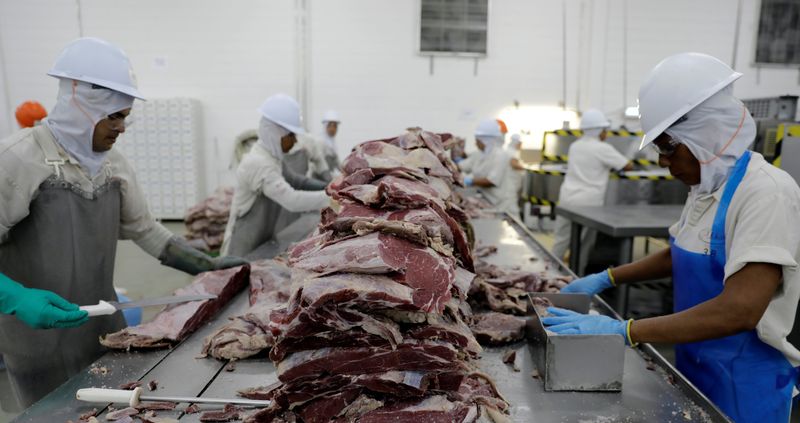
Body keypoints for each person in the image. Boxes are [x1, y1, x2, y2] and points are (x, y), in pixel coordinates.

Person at [545, 53, 800, 422]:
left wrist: (627, 330)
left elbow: (741, 309)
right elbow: (679, 253)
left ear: (706, 136)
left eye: (668, 147)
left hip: (743, 386)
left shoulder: (766, 192)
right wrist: (607, 278)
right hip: (693, 364)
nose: (664, 162)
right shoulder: (705, 186)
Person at [0, 37, 245, 406]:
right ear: (81, 107)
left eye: (125, 116)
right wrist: (17, 298)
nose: (122, 128)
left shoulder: (114, 166)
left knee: (118, 412)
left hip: (103, 327)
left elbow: (146, 230)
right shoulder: (18, 160)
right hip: (36, 338)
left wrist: (206, 264)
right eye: (114, 116)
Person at [222, 94, 330, 258]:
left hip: (261, 239)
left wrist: (332, 186)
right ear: (274, 133)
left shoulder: (273, 158)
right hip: (242, 246)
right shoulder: (258, 163)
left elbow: (297, 180)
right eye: (291, 136)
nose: (294, 142)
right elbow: (291, 200)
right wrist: (331, 199)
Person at [551, 109, 633, 271]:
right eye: (605, 130)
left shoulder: (575, 146)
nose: (606, 134)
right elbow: (627, 165)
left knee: (560, 240)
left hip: (568, 198)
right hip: (588, 203)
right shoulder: (602, 148)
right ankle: (576, 276)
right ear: (598, 131)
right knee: (582, 244)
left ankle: (549, 273)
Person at [460, 118, 520, 216]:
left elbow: (492, 181)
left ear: (486, 141)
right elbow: (462, 166)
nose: (476, 143)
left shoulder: (501, 155)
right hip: (489, 202)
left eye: (478, 140)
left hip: (503, 206)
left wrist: (468, 180)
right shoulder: (480, 154)